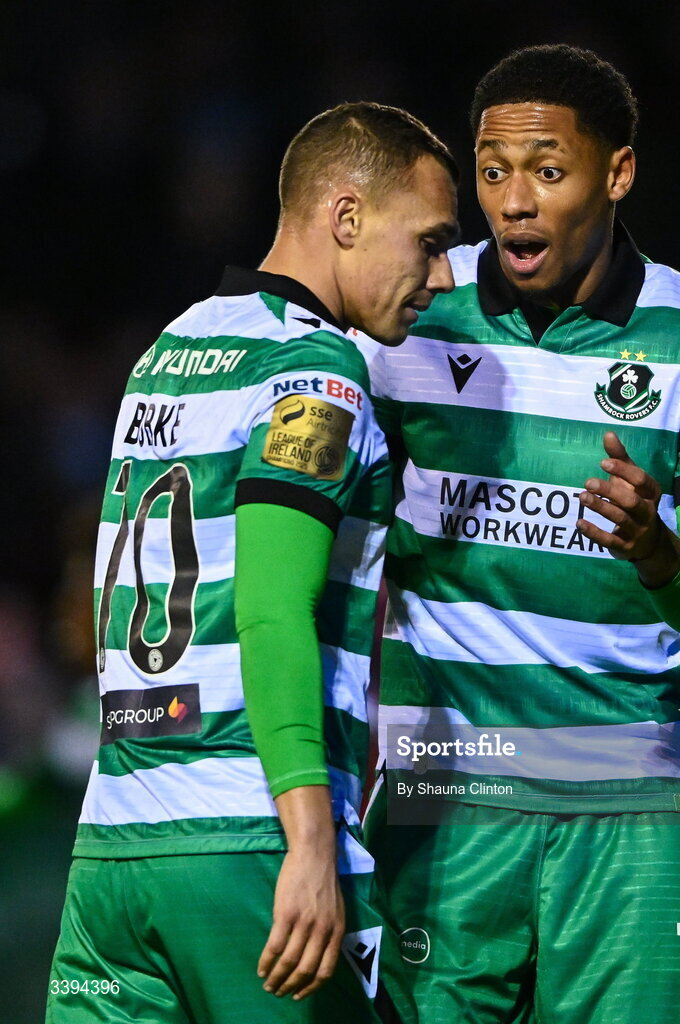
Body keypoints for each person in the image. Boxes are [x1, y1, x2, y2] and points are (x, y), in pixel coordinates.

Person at [362, 45, 680, 1023]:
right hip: (442, 806)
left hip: (630, 806)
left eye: (549, 170)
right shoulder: (407, 311)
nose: (514, 200)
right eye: (493, 170)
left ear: (617, 172)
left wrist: (661, 554)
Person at [46, 101, 459, 1024]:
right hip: (249, 846)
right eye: (428, 242)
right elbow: (271, 609)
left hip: (114, 854)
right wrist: (309, 842)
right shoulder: (313, 374)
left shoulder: (169, 350)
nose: (439, 276)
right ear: (345, 217)